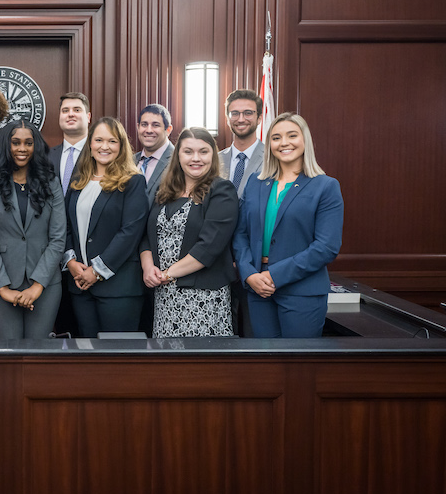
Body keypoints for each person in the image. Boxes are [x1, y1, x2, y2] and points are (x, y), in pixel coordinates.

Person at [233, 113, 344, 338]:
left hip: (302, 291)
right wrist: (248, 274)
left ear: (305, 140)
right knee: (266, 366)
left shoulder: (325, 186)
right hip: (258, 288)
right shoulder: (255, 182)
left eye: (292, 135)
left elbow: (326, 246)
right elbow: (240, 234)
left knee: (296, 368)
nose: (284, 143)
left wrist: (275, 275)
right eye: (276, 137)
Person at [140, 127, 239, 338]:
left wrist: (167, 274)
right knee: (167, 364)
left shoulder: (221, 190)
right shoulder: (165, 192)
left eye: (203, 151)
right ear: (178, 156)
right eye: (188, 151)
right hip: (164, 294)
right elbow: (148, 236)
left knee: (201, 366)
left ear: (213, 155)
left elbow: (209, 247)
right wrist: (148, 268)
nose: (196, 158)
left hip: (203, 296)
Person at [0, 120, 66, 339]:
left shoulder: (51, 182)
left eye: (28, 143)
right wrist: (3, 288)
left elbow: (57, 238)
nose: (22, 149)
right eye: (15, 143)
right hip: (2, 282)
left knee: (39, 355)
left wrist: (37, 286)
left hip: (45, 285)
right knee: (8, 354)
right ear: (5, 146)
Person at [63, 118, 148, 336]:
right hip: (80, 285)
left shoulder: (133, 181)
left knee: (118, 360)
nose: (104, 146)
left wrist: (97, 271)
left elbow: (130, 232)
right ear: (89, 144)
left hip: (118, 288)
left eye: (112, 141)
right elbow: (66, 225)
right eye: (98, 140)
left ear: (121, 147)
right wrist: (71, 261)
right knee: (88, 357)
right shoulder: (78, 181)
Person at [219, 89, 265, 200]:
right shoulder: (215, 159)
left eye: (248, 113)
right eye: (234, 113)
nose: (241, 119)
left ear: (259, 118)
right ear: (227, 119)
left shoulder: (272, 158)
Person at [49, 92, 91, 195]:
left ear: (88, 117)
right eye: (65, 110)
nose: (70, 114)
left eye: (77, 110)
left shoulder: (98, 155)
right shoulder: (46, 156)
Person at [135, 103, 175, 205]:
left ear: (168, 130)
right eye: (144, 124)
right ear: (138, 127)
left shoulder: (178, 161)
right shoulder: (129, 161)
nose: (148, 130)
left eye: (155, 125)